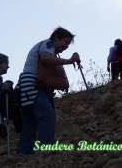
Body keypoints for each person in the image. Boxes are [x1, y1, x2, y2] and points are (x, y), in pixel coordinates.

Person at [17, 27, 80, 155]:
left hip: (28, 87)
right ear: (56, 38)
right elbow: (46, 58)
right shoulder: (48, 44)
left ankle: (24, 155)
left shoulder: (49, 48)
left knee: (31, 122)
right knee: (47, 115)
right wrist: (69, 61)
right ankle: (47, 151)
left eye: (68, 44)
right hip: (35, 86)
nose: (66, 46)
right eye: (65, 42)